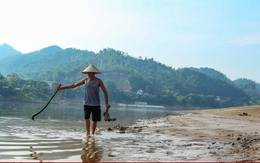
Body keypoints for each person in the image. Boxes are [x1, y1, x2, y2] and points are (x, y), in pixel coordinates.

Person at [57, 64, 110, 136]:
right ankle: (88, 134)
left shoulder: (99, 81)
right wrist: (62, 88)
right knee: (86, 118)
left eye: (89, 73)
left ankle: (93, 133)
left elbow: (105, 92)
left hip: (96, 104)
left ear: (93, 73)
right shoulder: (85, 80)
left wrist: (107, 103)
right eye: (87, 73)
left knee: (95, 120)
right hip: (87, 103)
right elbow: (74, 85)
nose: (88, 74)